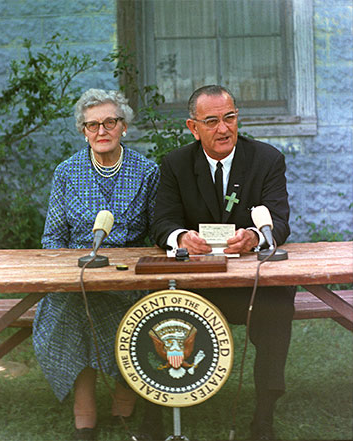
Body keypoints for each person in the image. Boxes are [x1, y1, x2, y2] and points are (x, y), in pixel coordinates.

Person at [149, 84, 294, 440]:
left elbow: (280, 220)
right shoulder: (175, 164)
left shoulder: (266, 159)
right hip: (195, 286)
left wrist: (255, 236)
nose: (223, 129)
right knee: (154, 302)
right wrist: (180, 237)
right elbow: (161, 222)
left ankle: (264, 416)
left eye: (229, 118)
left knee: (279, 298)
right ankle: (154, 413)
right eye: (211, 121)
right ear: (192, 127)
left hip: (249, 286)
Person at [34, 89, 160, 441]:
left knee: (132, 307)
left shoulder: (147, 171)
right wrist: (68, 274)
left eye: (109, 122)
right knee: (68, 304)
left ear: (123, 126)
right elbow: (52, 238)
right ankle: (84, 402)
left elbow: (157, 235)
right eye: (92, 125)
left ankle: (125, 387)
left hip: (129, 277)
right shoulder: (66, 173)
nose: (101, 130)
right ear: (83, 131)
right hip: (80, 274)